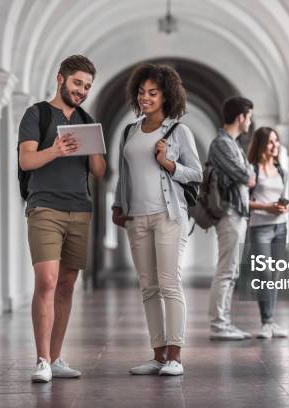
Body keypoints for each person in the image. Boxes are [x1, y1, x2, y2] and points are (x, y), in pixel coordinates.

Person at [18, 55, 106, 383]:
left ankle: (55, 359)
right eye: (77, 83)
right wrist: (55, 150)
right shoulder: (37, 114)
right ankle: (41, 360)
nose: (82, 90)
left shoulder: (87, 119)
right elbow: (27, 161)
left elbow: (99, 173)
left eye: (87, 86)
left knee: (67, 286)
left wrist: (93, 148)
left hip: (80, 209)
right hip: (44, 209)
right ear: (60, 79)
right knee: (48, 281)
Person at [112, 63, 202, 376]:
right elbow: (124, 175)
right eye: (141, 92)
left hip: (169, 216)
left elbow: (197, 174)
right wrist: (117, 205)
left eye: (153, 92)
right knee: (148, 287)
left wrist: (168, 163)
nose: (146, 97)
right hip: (136, 218)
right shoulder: (129, 131)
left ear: (166, 96)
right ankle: (158, 355)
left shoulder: (179, 131)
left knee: (169, 284)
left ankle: (175, 356)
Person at [207, 96, 256, 340]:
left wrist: (248, 173)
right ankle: (218, 324)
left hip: (238, 213)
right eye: (250, 117)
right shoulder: (222, 144)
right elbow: (245, 175)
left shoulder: (233, 144)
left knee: (232, 269)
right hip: (229, 212)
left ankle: (224, 322)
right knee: (226, 269)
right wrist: (248, 173)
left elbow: (248, 174)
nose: (250, 122)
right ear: (241, 117)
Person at [247, 127, 289, 339]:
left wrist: (283, 207)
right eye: (271, 142)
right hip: (260, 228)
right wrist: (267, 208)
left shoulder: (281, 170)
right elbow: (244, 202)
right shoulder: (252, 170)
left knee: (275, 275)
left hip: (281, 227)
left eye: (277, 141)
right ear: (261, 144)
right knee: (263, 275)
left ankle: (271, 321)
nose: (275, 146)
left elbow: (282, 196)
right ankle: (266, 321)